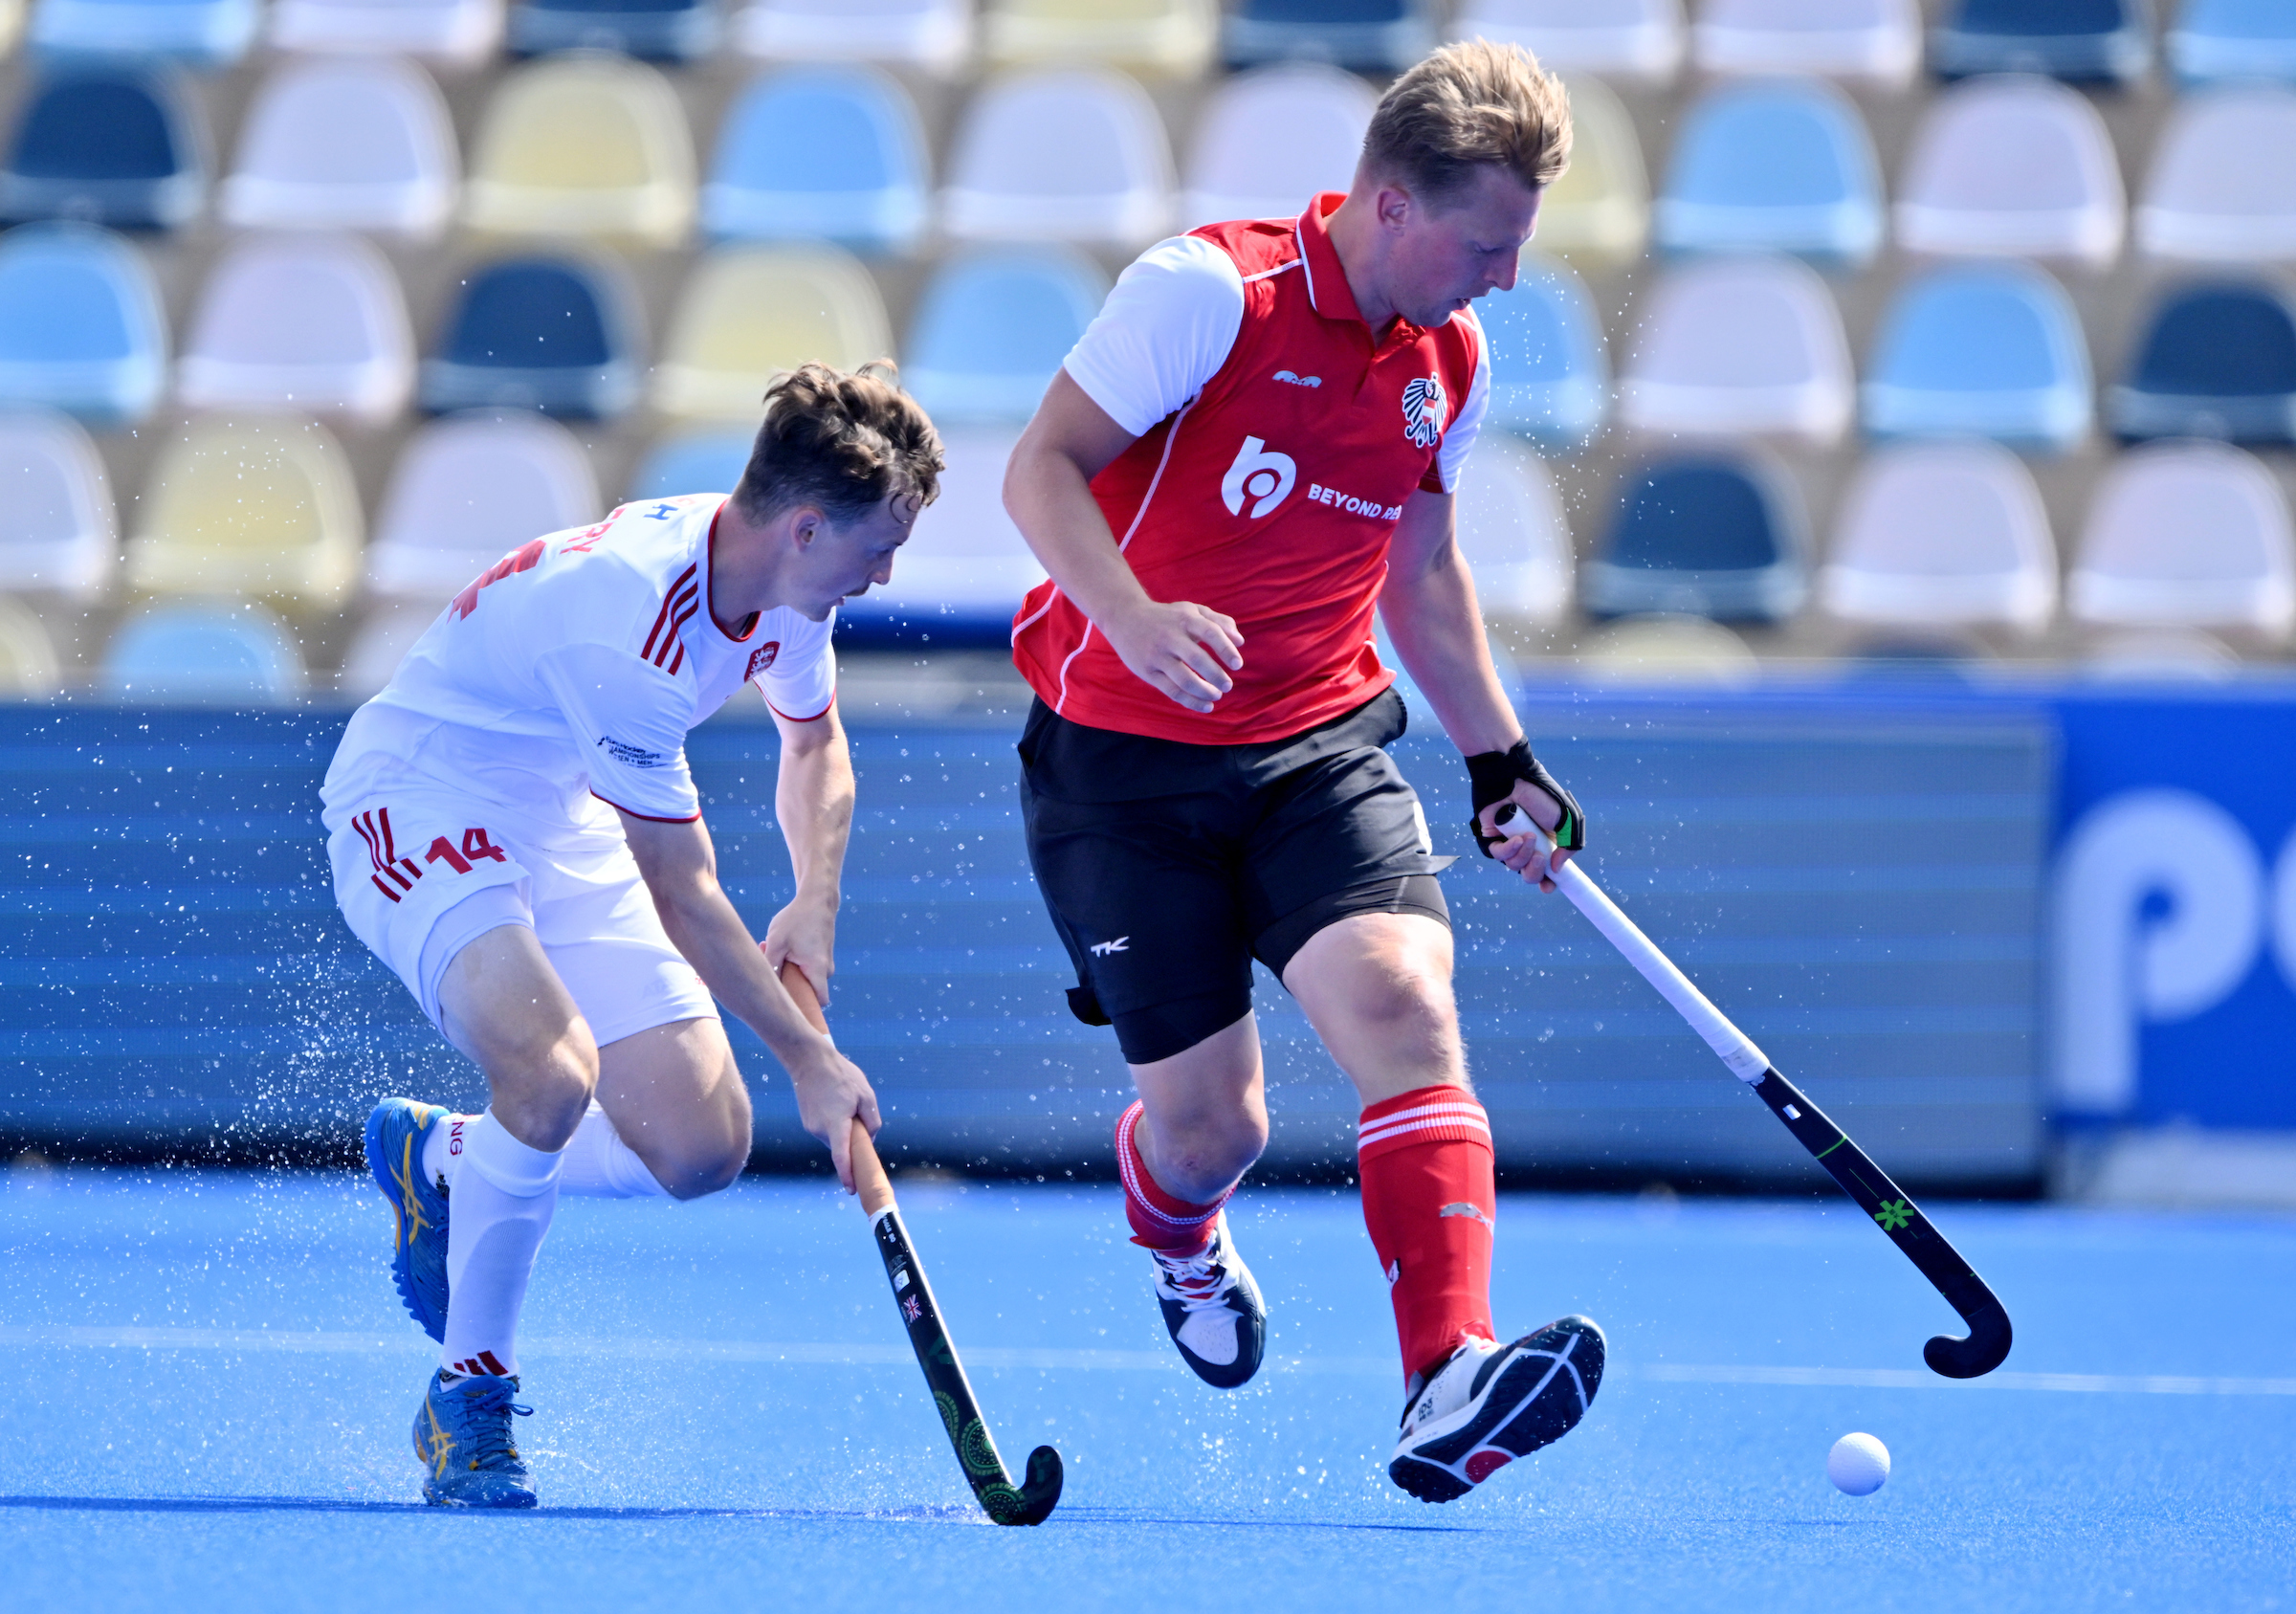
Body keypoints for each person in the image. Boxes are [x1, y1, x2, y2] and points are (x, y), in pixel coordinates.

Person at [1003, 40, 1601, 1503]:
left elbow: (1423, 571)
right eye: (1487, 244)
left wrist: (1500, 756)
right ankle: (1176, 1231)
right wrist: (1132, 616)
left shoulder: (1448, 361)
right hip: (1121, 766)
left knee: (1405, 1001)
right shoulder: (1209, 294)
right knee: (1218, 1128)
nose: (1506, 278)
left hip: (1314, 747)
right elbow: (1041, 468)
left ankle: (1445, 1373)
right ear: (1392, 206)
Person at [322, 363, 938, 1508]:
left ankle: (445, 1157)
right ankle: (469, 1395)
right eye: (877, 548)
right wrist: (811, 1058)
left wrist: (814, 900)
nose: (886, 574)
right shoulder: (630, 627)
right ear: (806, 527)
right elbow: (682, 888)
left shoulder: (788, 586)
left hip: (559, 807)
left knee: (703, 1146)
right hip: (421, 796)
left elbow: (814, 746)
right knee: (553, 1072)